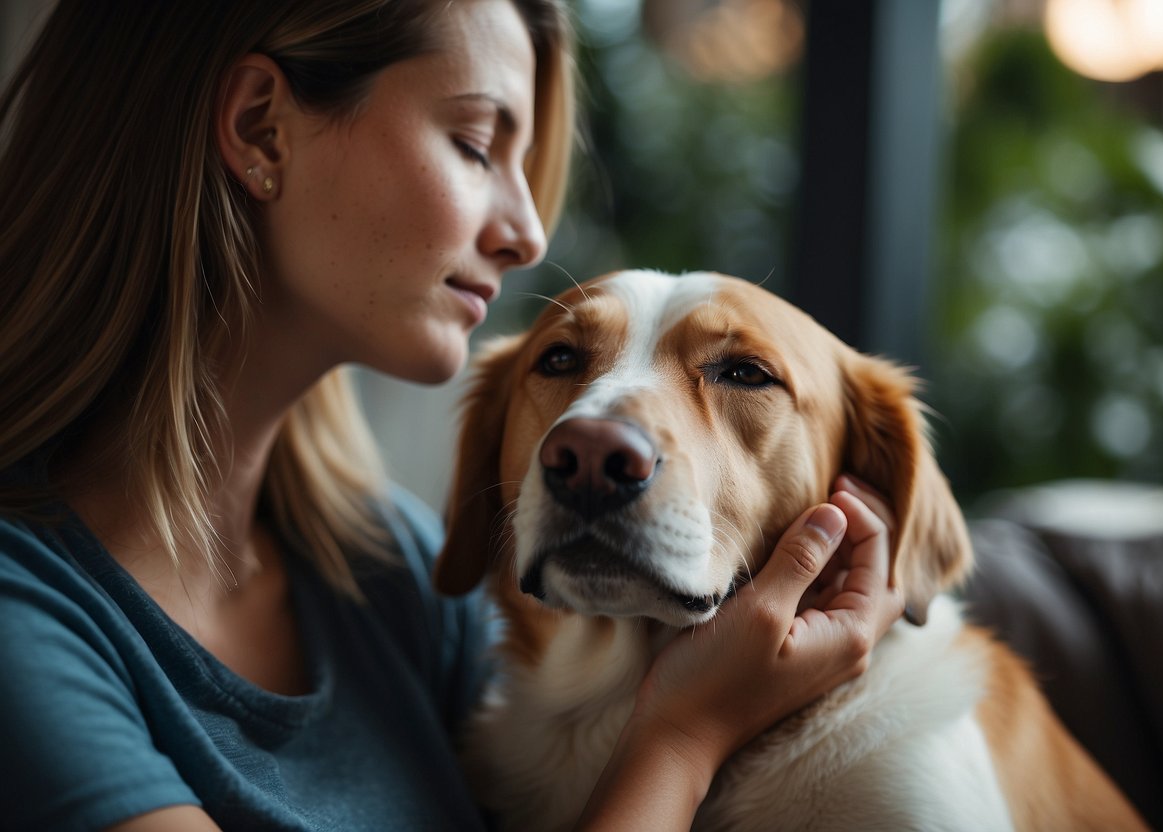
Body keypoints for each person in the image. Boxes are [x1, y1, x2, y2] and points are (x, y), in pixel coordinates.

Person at [0, 1, 906, 830]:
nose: (527, 235)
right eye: (476, 144)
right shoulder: (27, 613)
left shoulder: (390, 575)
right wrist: (681, 739)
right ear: (258, 128)